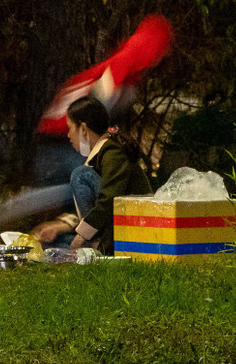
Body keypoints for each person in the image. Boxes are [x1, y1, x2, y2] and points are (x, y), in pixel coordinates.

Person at [31, 95, 151, 254]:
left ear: (83, 129)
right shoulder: (100, 155)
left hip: (131, 230)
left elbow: (109, 200)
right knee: (52, 244)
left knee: (81, 175)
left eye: (70, 128)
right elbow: (94, 207)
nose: (68, 135)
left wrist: (83, 235)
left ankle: (95, 246)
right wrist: (60, 226)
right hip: (110, 229)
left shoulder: (113, 153)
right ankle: (92, 245)